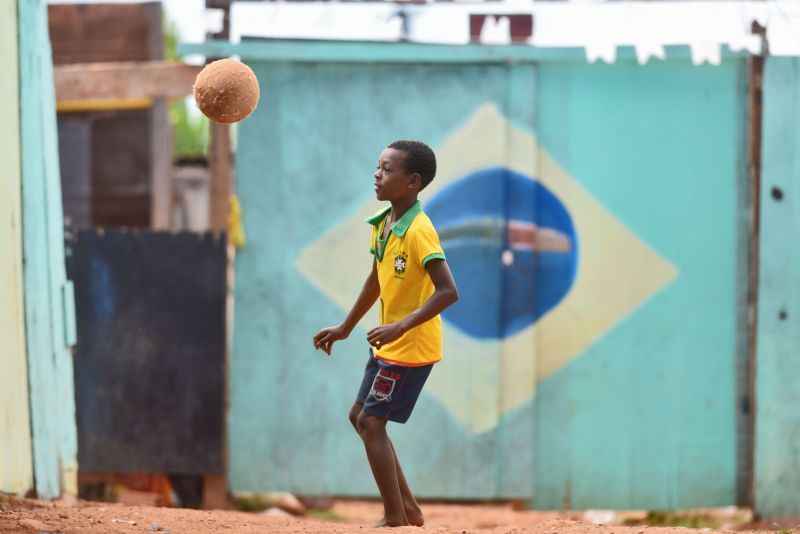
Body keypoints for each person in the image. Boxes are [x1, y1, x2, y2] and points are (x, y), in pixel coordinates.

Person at [313, 140, 459, 527]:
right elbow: (376, 280)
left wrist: (401, 324)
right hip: (390, 345)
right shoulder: (384, 223)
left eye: (387, 169)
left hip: (410, 347)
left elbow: (449, 291)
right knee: (359, 415)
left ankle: (395, 517)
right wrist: (345, 327)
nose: (377, 174)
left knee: (372, 423)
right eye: (378, 166)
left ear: (412, 181)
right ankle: (408, 509)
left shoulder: (419, 231)